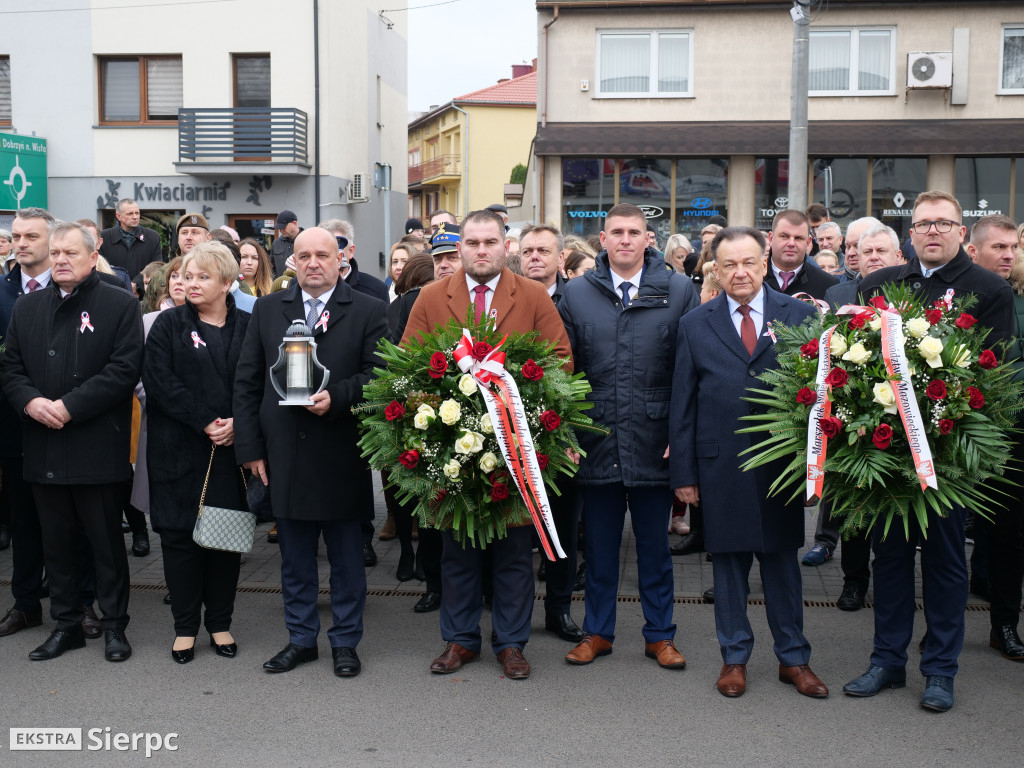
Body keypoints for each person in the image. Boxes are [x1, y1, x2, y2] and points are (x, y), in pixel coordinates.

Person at [844, 191, 1015, 712]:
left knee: (945, 562)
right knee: (890, 557)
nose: (934, 232)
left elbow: (997, 377)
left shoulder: (988, 290)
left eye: (945, 223)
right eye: (924, 224)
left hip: (948, 454)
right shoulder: (878, 285)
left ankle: (940, 670)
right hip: (888, 452)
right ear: (910, 234)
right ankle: (887, 662)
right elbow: (855, 368)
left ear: (962, 233)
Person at [400, 209, 572, 680]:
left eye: (489, 242)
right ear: (459, 249)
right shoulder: (432, 297)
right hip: (453, 447)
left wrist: (526, 407)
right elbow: (410, 365)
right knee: (457, 549)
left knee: (515, 553)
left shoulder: (533, 295)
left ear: (506, 247)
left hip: (518, 447)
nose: (481, 251)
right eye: (472, 243)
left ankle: (512, 643)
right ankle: (460, 641)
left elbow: (560, 362)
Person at [670, 226, 825, 699]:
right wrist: (685, 477)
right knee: (729, 566)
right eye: (728, 264)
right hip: (721, 467)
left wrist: (815, 465)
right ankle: (733, 658)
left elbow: (821, 396)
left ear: (765, 264)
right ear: (715, 269)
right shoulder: (697, 323)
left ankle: (794, 659)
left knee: (782, 564)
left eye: (749, 263)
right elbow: (683, 404)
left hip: (780, 465)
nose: (740, 272)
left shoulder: (798, 315)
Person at [234, 227, 388, 678]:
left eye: (323, 254)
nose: (314, 263)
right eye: (305, 256)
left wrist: (336, 398)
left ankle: (344, 642)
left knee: (345, 562)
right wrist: (249, 448)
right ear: (293, 262)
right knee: (295, 560)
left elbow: (378, 377)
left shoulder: (367, 309)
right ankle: (300, 640)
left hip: (340, 451)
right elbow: (246, 383)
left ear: (341, 259)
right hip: (283, 455)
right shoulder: (267, 310)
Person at [558, 203, 697, 670]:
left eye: (634, 232)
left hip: (654, 441)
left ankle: (660, 635)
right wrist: (567, 434)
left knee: (655, 549)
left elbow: (689, 373)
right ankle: (597, 632)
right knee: (597, 548)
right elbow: (564, 371)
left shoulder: (678, 291)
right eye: (616, 232)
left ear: (648, 239)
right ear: (602, 239)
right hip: (595, 439)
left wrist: (682, 436)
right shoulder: (576, 295)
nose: (624, 240)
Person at [0, 221, 144, 663]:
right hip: (42, 443)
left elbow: (123, 371)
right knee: (55, 543)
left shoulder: (119, 304)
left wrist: (68, 407)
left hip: (97, 444)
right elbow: (11, 369)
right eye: (56, 253)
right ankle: (66, 626)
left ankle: (115, 626)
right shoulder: (27, 308)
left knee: (104, 542)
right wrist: (31, 402)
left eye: (71, 254)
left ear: (91, 256)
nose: (61, 260)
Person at [143, 242, 250, 664]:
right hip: (178, 450)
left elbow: (258, 382)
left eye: (203, 276)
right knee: (179, 540)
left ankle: (220, 624)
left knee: (224, 543)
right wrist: (206, 420)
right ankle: (185, 628)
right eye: (187, 276)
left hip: (230, 452)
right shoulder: (168, 325)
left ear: (227, 282)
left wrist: (239, 423)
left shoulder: (248, 327)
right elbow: (160, 381)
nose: (191, 283)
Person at [0, 209, 101, 640]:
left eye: (31, 236)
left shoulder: (92, 292)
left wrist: (66, 407)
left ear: (56, 241)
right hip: (15, 424)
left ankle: (83, 602)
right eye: (16, 236)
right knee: (24, 520)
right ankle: (26, 605)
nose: (21, 243)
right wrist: (29, 402)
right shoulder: (5, 294)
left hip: (73, 428)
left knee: (77, 525)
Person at [519, 224, 585, 643]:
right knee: (514, 531)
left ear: (562, 258)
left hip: (563, 434)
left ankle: (558, 609)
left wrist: (573, 436)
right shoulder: (506, 299)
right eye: (528, 250)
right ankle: (512, 610)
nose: (535, 257)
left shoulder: (579, 299)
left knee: (561, 526)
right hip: (510, 432)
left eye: (544, 250)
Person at [965, 214, 1024, 662]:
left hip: (1012, 436)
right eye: (999, 248)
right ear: (974, 250)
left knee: (1008, 533)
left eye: (1014, 248)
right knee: (953, 533)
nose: (1008, 256)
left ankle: (1004, 623)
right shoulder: (965, 294)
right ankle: (943, 628)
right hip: (964, 429)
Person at [763, 209, 838, 299]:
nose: (791, 243)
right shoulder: (751, 278)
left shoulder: (828, 285)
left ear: (808, 242)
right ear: (771, 238)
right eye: (784, 236)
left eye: (798, 238)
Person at [99, 199, 163, 279]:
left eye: (137, 213)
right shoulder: (104, 237)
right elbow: (100, 268)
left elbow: (157, 266)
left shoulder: (153, 237)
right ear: (118, 216)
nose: (135, 217)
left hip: (144, 290)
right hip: (114, 289)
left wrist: (137, 284)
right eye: (130, 214)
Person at [271, 210, 302, 276]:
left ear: (294, 223)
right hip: (280, 285)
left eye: (284, 227)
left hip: (301, 285)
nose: (281, 230)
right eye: (279, 228)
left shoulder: (307, 240)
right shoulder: (276, 243)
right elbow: (271, 268)